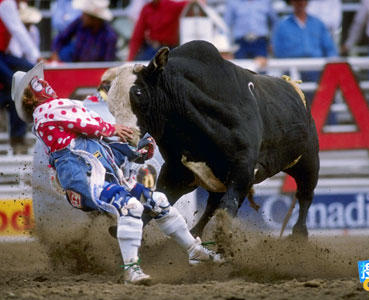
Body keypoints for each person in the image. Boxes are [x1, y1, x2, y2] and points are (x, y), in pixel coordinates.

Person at [11, 63, 223, 284]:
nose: (45, 84)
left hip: (88, 177)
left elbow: (103, 149)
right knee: (130, 206)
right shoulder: (48, 111)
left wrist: (135, 152)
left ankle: (193, 251)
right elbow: (87, 124)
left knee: (157, 200)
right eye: (37, 84)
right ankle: (132, 269)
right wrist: (112, 129)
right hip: (82, 178)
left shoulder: (68, 131)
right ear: (30, 98)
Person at [0, 0, 41, 154]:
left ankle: (18, 139)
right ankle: (17, 139)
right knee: (17, 83)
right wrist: (35, 56)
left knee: (22, 79)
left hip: (3, 55)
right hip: (2, 55)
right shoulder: (6, 3)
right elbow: (17, 29)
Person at [50, 0, 117, 62]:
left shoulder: (109, 36)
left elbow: (107, 62)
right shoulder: (79, 23)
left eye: (85, 14)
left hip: (96, 72)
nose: (82, 16)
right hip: (76, 66)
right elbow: (61, 37)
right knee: (65, 52)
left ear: (95, 19)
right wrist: (55, 52)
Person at [224, 0, 278, 66]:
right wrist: (227, 47)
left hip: (260, 42)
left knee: (261, 72)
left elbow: (274, 23)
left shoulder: (266, 2)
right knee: (240, 70)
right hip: (240, 43)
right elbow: (226, 25)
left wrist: (272, 42)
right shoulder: (233, 2)